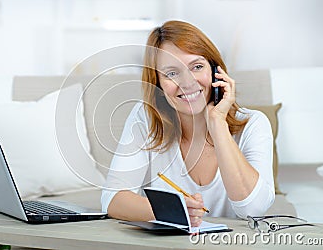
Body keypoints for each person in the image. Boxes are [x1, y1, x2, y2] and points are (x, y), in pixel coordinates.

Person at [101, 20, 275, 226]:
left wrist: (217, 123)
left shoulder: (253, 124)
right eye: (172, 73)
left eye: (197, 66)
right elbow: (112, 199)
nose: (187, 82)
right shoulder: (146, 117)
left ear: (215, 72)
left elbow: (252, 208)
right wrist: (170, 211)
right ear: (157, 82)